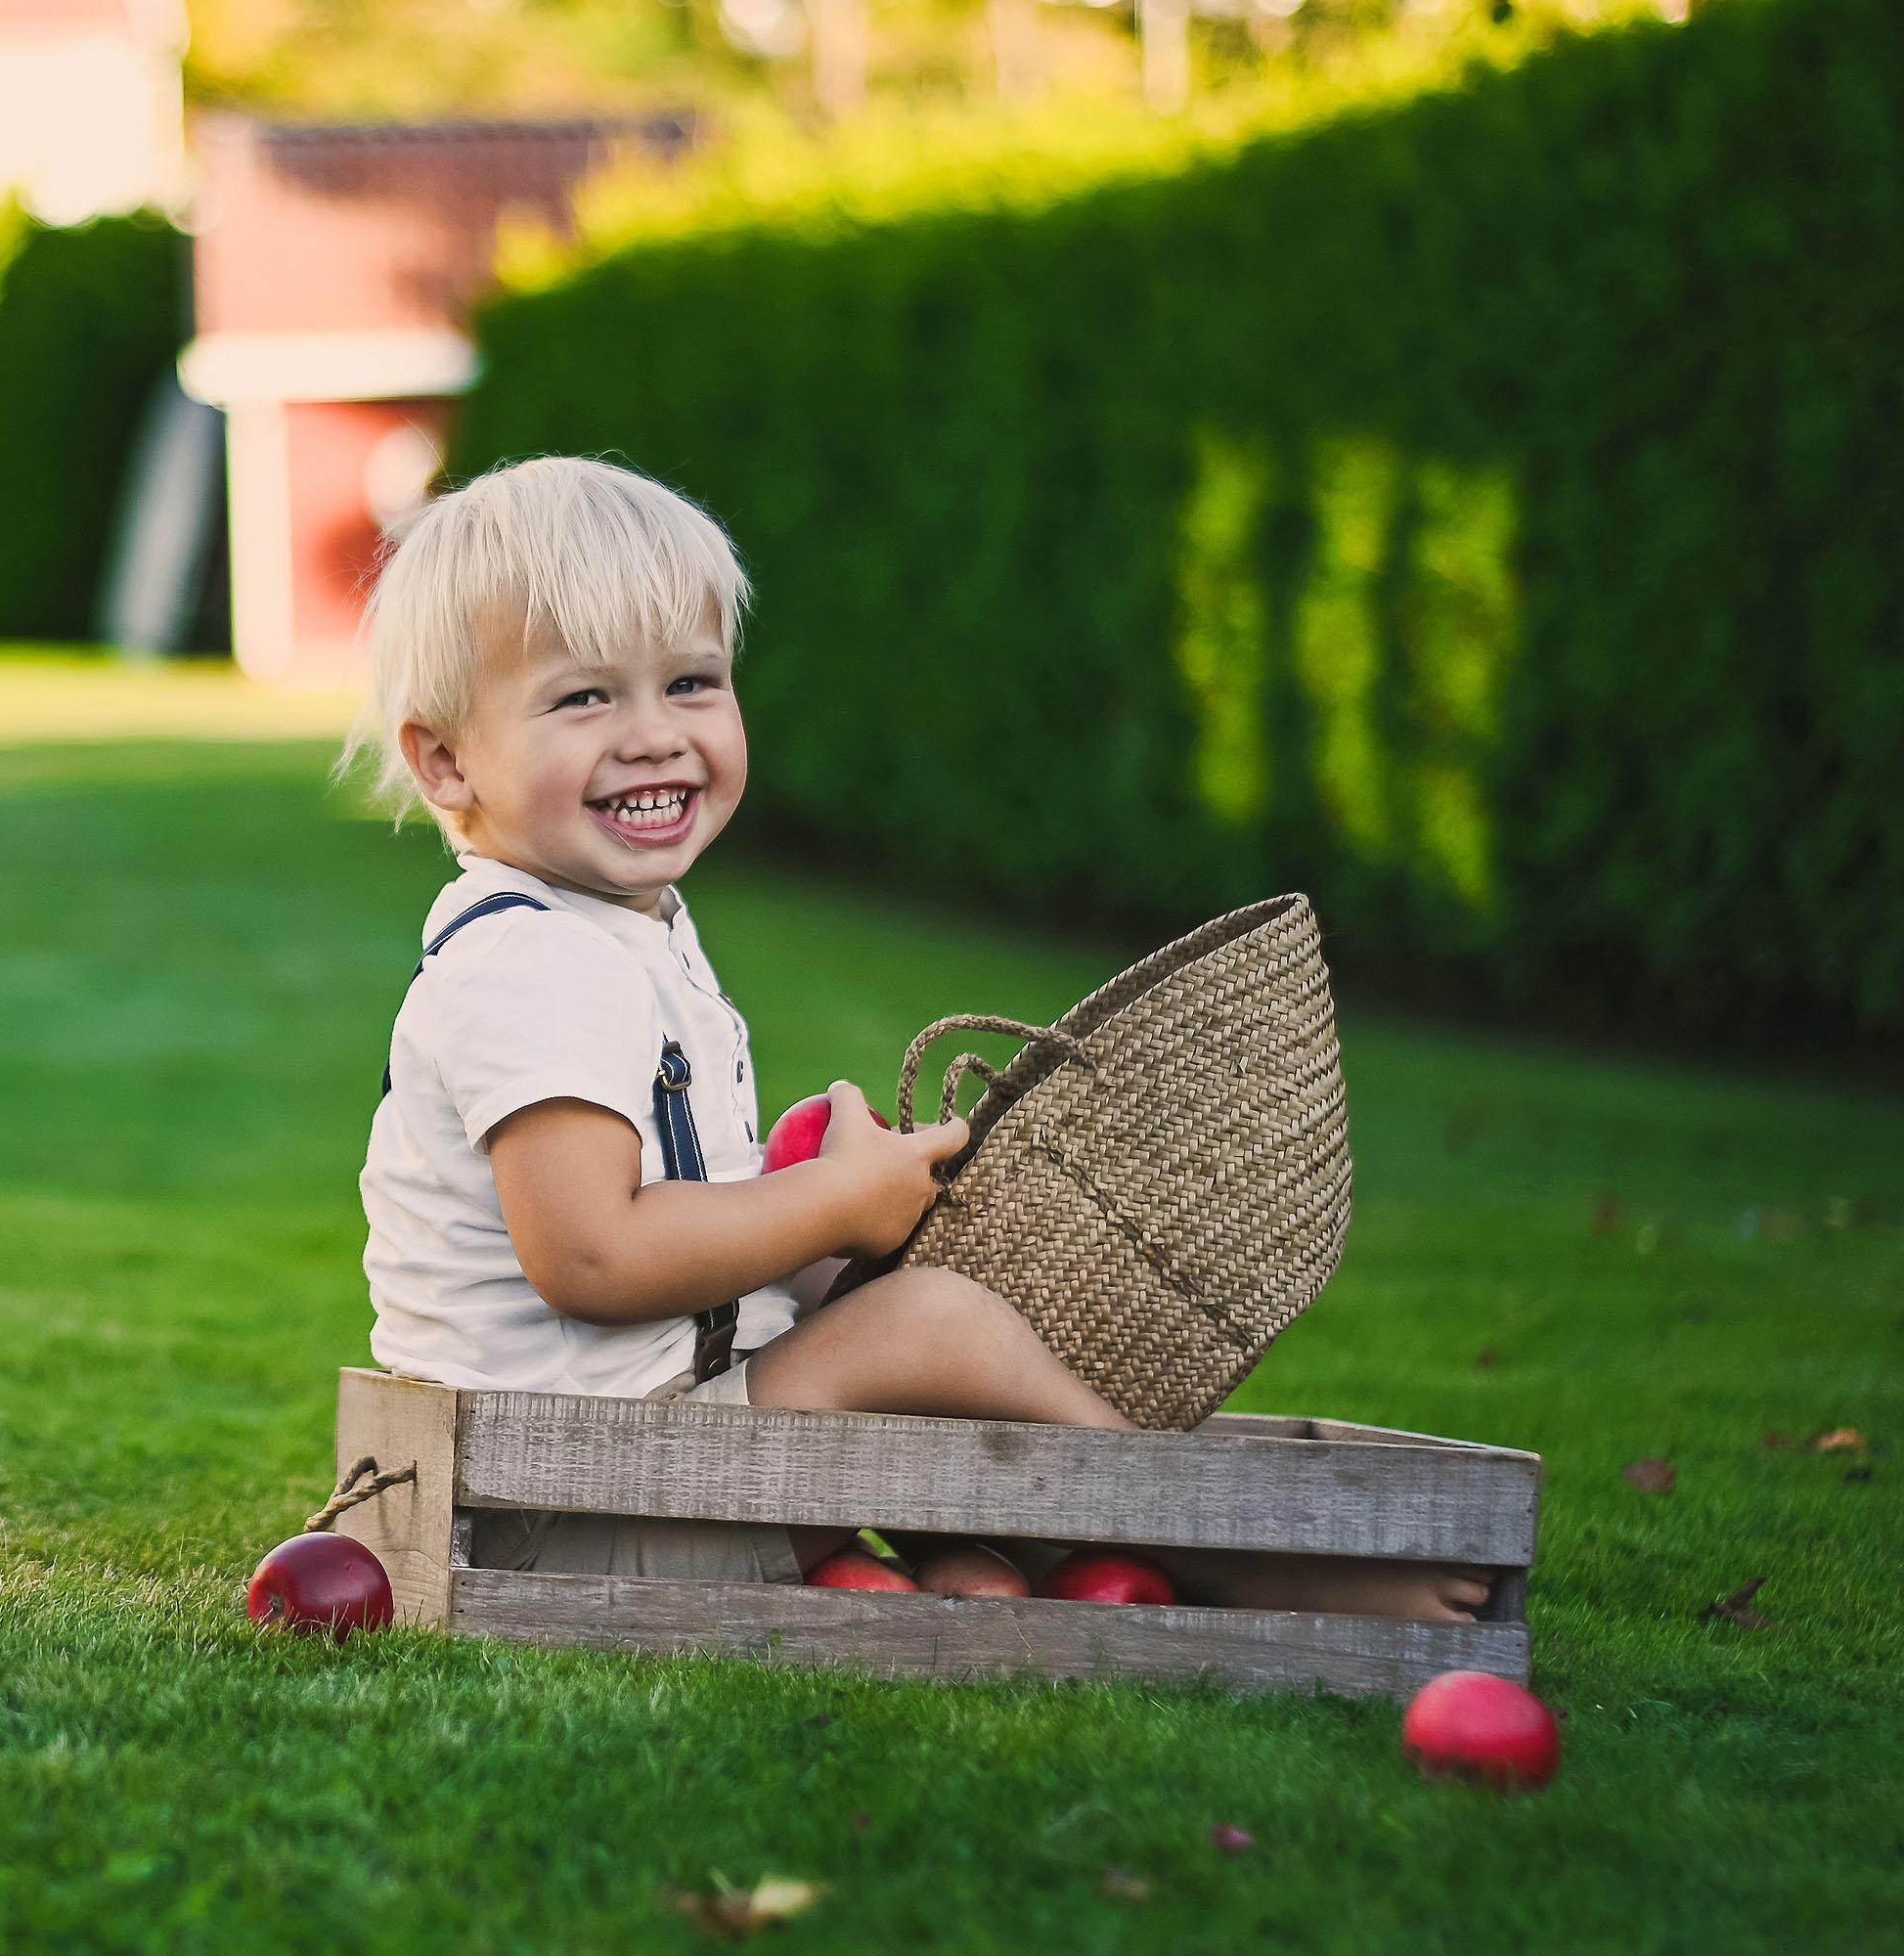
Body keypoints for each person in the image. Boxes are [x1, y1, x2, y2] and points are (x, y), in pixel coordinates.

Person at [347, 454, 1488, 1620]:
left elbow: (670, 1234)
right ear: (446, 759)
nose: (653, 735)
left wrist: (824, 1235)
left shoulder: (616, 933)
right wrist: (838, 1206)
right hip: (573, 1515)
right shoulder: (535, 961)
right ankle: (1233, 1547)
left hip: (648, 1464)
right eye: (584, 698)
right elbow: (589, 1257)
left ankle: (1014, 1548)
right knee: (928, 1320)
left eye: (690, 681)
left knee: (909, 1295)